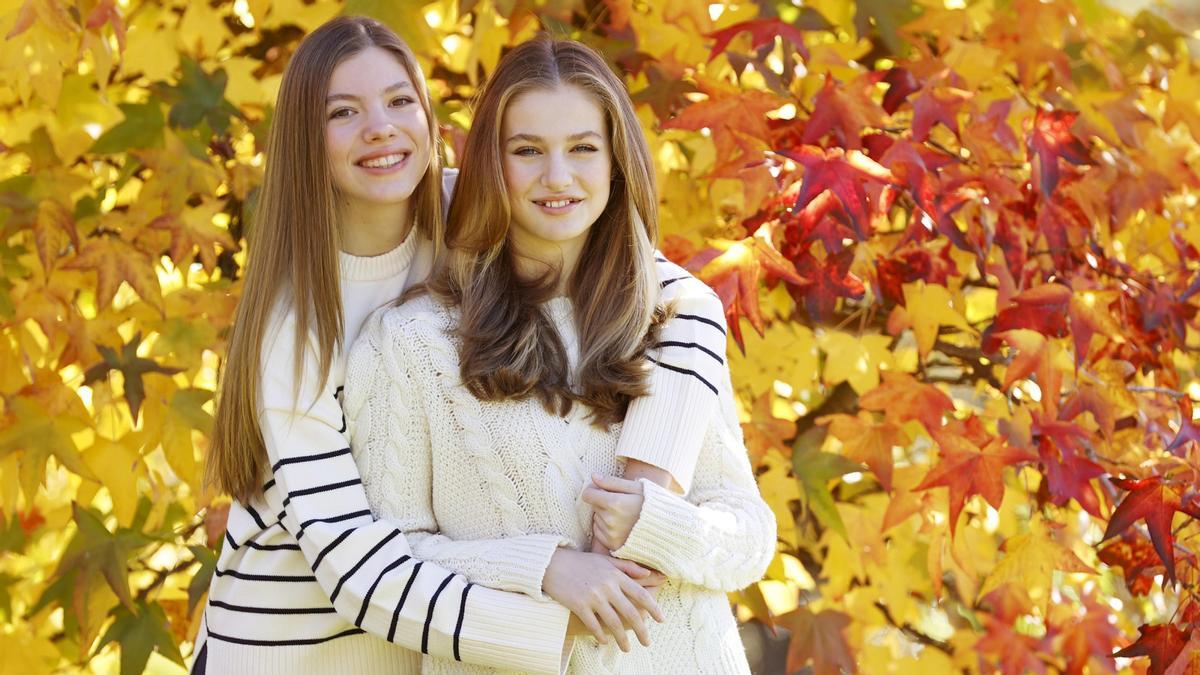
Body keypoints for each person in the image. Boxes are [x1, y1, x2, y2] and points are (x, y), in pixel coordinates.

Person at [196, 15, 730, 675]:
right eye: (344, 112)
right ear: (307, 140)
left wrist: (652, 476)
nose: (380, 128)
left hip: (418, 643)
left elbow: (677, 296)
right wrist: (558, 606)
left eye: (400, 101)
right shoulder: (299, 330)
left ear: (431, 118)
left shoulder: (471, 209)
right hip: (291, 648)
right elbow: (357, 566)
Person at [344, 36, 776, 674]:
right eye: (527, 151)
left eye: (582, 149)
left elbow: (749, 535)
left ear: (615, 163)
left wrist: (657, 524)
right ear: (492, 165)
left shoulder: (673, 322)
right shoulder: (412, 343)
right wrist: (546, 569)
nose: (557, 177)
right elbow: (390, 562)